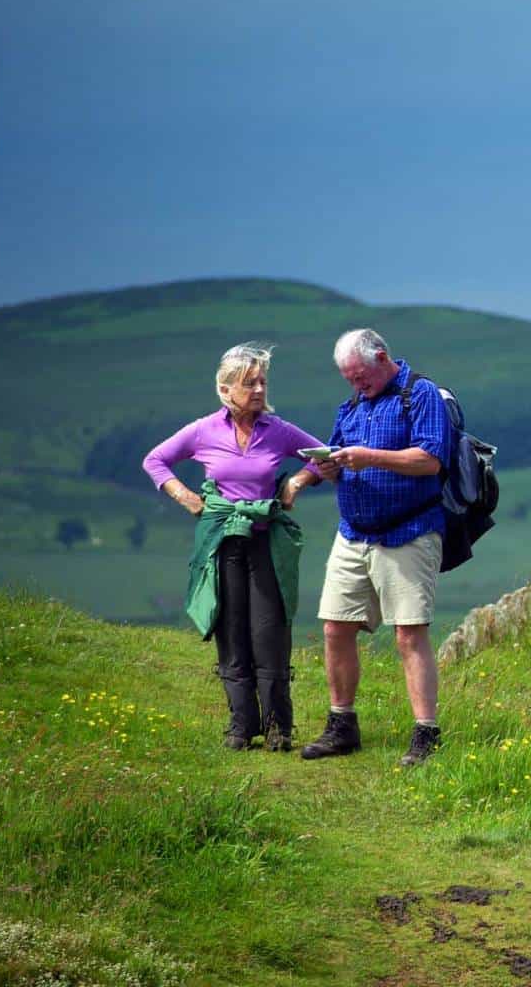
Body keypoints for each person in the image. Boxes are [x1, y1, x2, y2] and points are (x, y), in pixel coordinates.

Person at [143, 343, 327, 751]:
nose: (259, 389)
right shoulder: (203, 430)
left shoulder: (278, 430)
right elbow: (155, 461)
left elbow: (322, 457)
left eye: (262, 381)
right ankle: (240, 726)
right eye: (249, 383)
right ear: (225, 391)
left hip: (266, 540)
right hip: (220, 540)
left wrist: (296, 483)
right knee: (231, 630)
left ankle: (279, 726)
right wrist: (188, 498)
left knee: (269, 631)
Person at [300, 328, 448, 767]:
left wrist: (369, 457)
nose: (356, 385)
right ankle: (342, 725)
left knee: (409, 632)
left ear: (382, 357)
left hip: (408, 531)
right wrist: (329, 468)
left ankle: (426, 733)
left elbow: (430, 459)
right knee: (335, 627)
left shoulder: (420, 395)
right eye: (348, 379)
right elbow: (340, 452)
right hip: (353, 533)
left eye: (360, 376)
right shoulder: (352, 406)